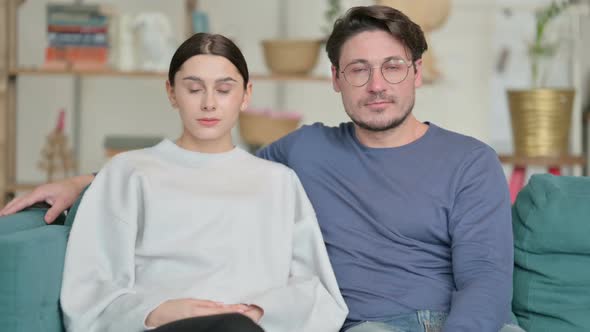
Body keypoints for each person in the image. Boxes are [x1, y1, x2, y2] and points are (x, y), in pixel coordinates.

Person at [1, 6, 521, 332]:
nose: (377, 84)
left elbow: (485, 279)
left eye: (392, 67)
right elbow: (202, 173)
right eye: (359, 70)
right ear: (336, 80)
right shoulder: (303, 153)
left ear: (416, 74)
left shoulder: (469, 161)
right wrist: (83, 183)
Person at [54, 32, 348, 332]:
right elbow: (90, 288)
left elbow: (315, 291)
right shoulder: (129, 172)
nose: (209, 103)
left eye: (223, 90)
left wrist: (257, 312)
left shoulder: (279, 182)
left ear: (246, 95)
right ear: (171, 93)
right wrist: (159, 311)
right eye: (194, 89)